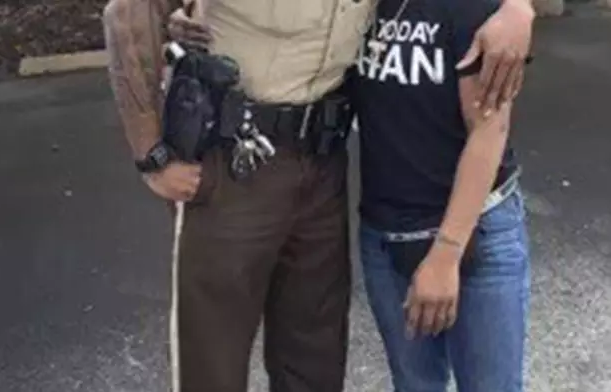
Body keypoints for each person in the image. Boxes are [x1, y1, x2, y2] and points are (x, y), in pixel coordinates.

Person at [101, 0, 534, 390]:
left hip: (323, 166)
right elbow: (128, 15)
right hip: (236, 165)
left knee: (314, 359)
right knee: (214, 361)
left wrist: (517, 7)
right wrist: (151, 154)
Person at [351, 0, 533, 391]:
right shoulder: (355, 8)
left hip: (477, 233)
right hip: (386, 235)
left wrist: (446, 254)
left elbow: (489, 131)